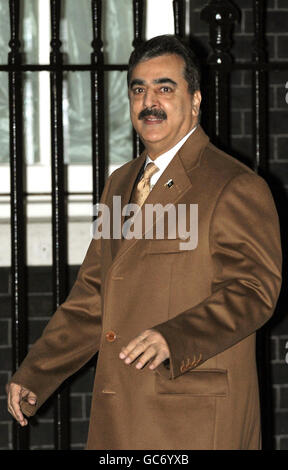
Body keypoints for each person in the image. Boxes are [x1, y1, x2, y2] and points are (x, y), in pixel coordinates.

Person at [7, 35, 282, 450]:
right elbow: (93, 296)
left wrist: (177, 336)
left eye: (164, 88)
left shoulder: (235, 185)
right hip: (120, 416)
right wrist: (37, 372)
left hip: (191, 420)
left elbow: (254, 291)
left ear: (195, 100)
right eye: (139, 89)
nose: (148, 101)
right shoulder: (120, 183)